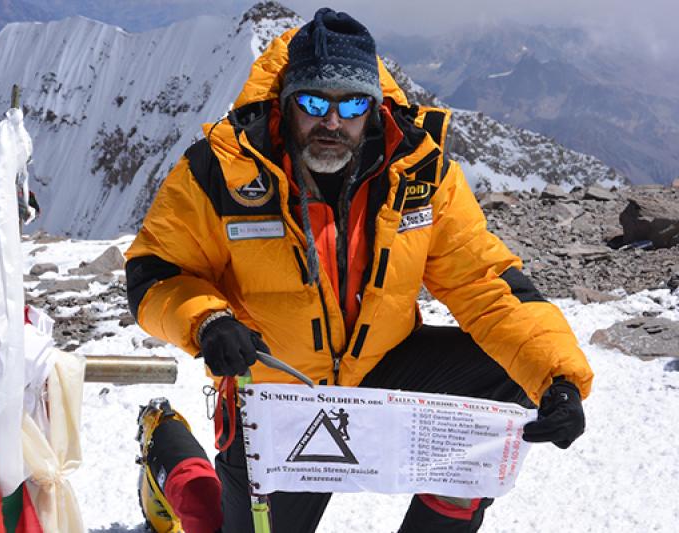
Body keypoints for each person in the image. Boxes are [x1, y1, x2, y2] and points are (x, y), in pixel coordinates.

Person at [125, 7, 592, 532]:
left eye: (351, 104)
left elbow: (484, 283)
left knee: (510, 374)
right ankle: (168, 449)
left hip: (383, 367)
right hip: (280, 394)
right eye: (313, 102)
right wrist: (208, 321)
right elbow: (154, 272)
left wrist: (557, 377)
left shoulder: (417, 172)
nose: (332, 122)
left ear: (373, 108)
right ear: (286, 102)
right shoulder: (222, 170)